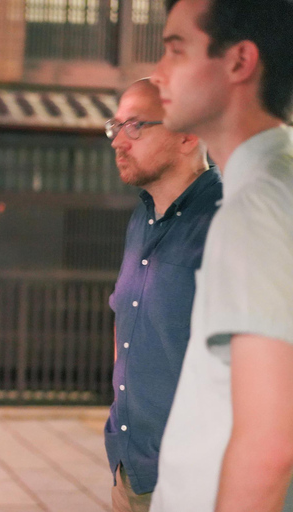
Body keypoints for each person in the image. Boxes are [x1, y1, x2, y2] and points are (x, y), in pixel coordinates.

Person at [149, 0, 293, 510]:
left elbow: (268, 447)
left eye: (175, 50)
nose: (158, 73)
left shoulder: (255, 207)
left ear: (239, 61)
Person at [104, 78, 220, 512]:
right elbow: (126, 317)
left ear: (188, 134)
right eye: (114, 126)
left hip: (200, 481)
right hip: (132, 468)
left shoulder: (229, 218)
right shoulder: (143, 215)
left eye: (134, 126)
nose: (118, 140)